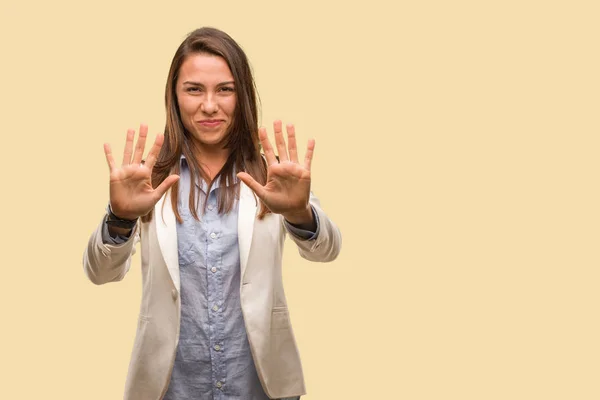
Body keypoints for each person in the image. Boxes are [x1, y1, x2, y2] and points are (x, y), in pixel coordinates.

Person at [82, 27, 342, 400]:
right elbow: (100, 272)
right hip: (170, 388)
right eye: (194, 89)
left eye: (225, 89)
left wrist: (301, 213)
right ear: (174, 95)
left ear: (243, 95)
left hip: (260, 385)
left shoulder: (272, 174)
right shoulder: (147, 178)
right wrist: (119, 219)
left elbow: (327, 250)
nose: (209, 105)